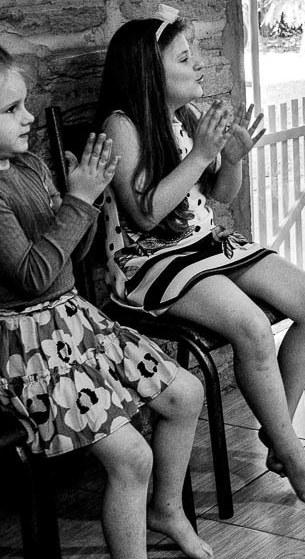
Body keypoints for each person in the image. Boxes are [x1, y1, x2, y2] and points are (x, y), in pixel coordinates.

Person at [96, 17, 305, 507]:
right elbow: (145, 215)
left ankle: (277, 434)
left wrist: (232, 159)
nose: (200, 64)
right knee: (252, 326)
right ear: (149, 72)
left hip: (205, 245)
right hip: (153, 260)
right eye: (185, 58)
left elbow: (221, 195)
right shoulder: (122, 126)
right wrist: (203, 152)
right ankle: (292, 452)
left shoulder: (186, 117)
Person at [0, 47, 211, 559]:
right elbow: (33, 277)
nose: (28, 117)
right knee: (132, 459)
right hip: (25, 345)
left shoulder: (29, 164)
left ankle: (166, 510)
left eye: (25, 104)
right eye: (11, 109)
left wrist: (86, 199)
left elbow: (75, 254)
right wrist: (78, 200)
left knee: (185, 394)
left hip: (71, 318)